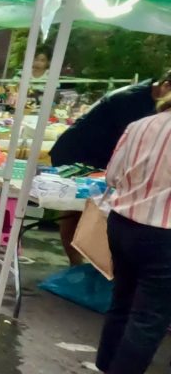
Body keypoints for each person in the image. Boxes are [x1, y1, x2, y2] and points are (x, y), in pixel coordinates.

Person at [92, 91, 171, 374]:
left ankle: (111, 373)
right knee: (149, 317)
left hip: (122, 222)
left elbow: (112, 176)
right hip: (163, 233)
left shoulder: (139, 125)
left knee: (123, 300)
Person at [50, 70, 171, 266]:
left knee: (91, 212)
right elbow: (131, 148)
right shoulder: (130, 101)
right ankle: (76, 265)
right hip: (78, 152)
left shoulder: (149, 99)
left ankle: (92, 267)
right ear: (165, 86)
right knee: (75, 211)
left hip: (104, 157)